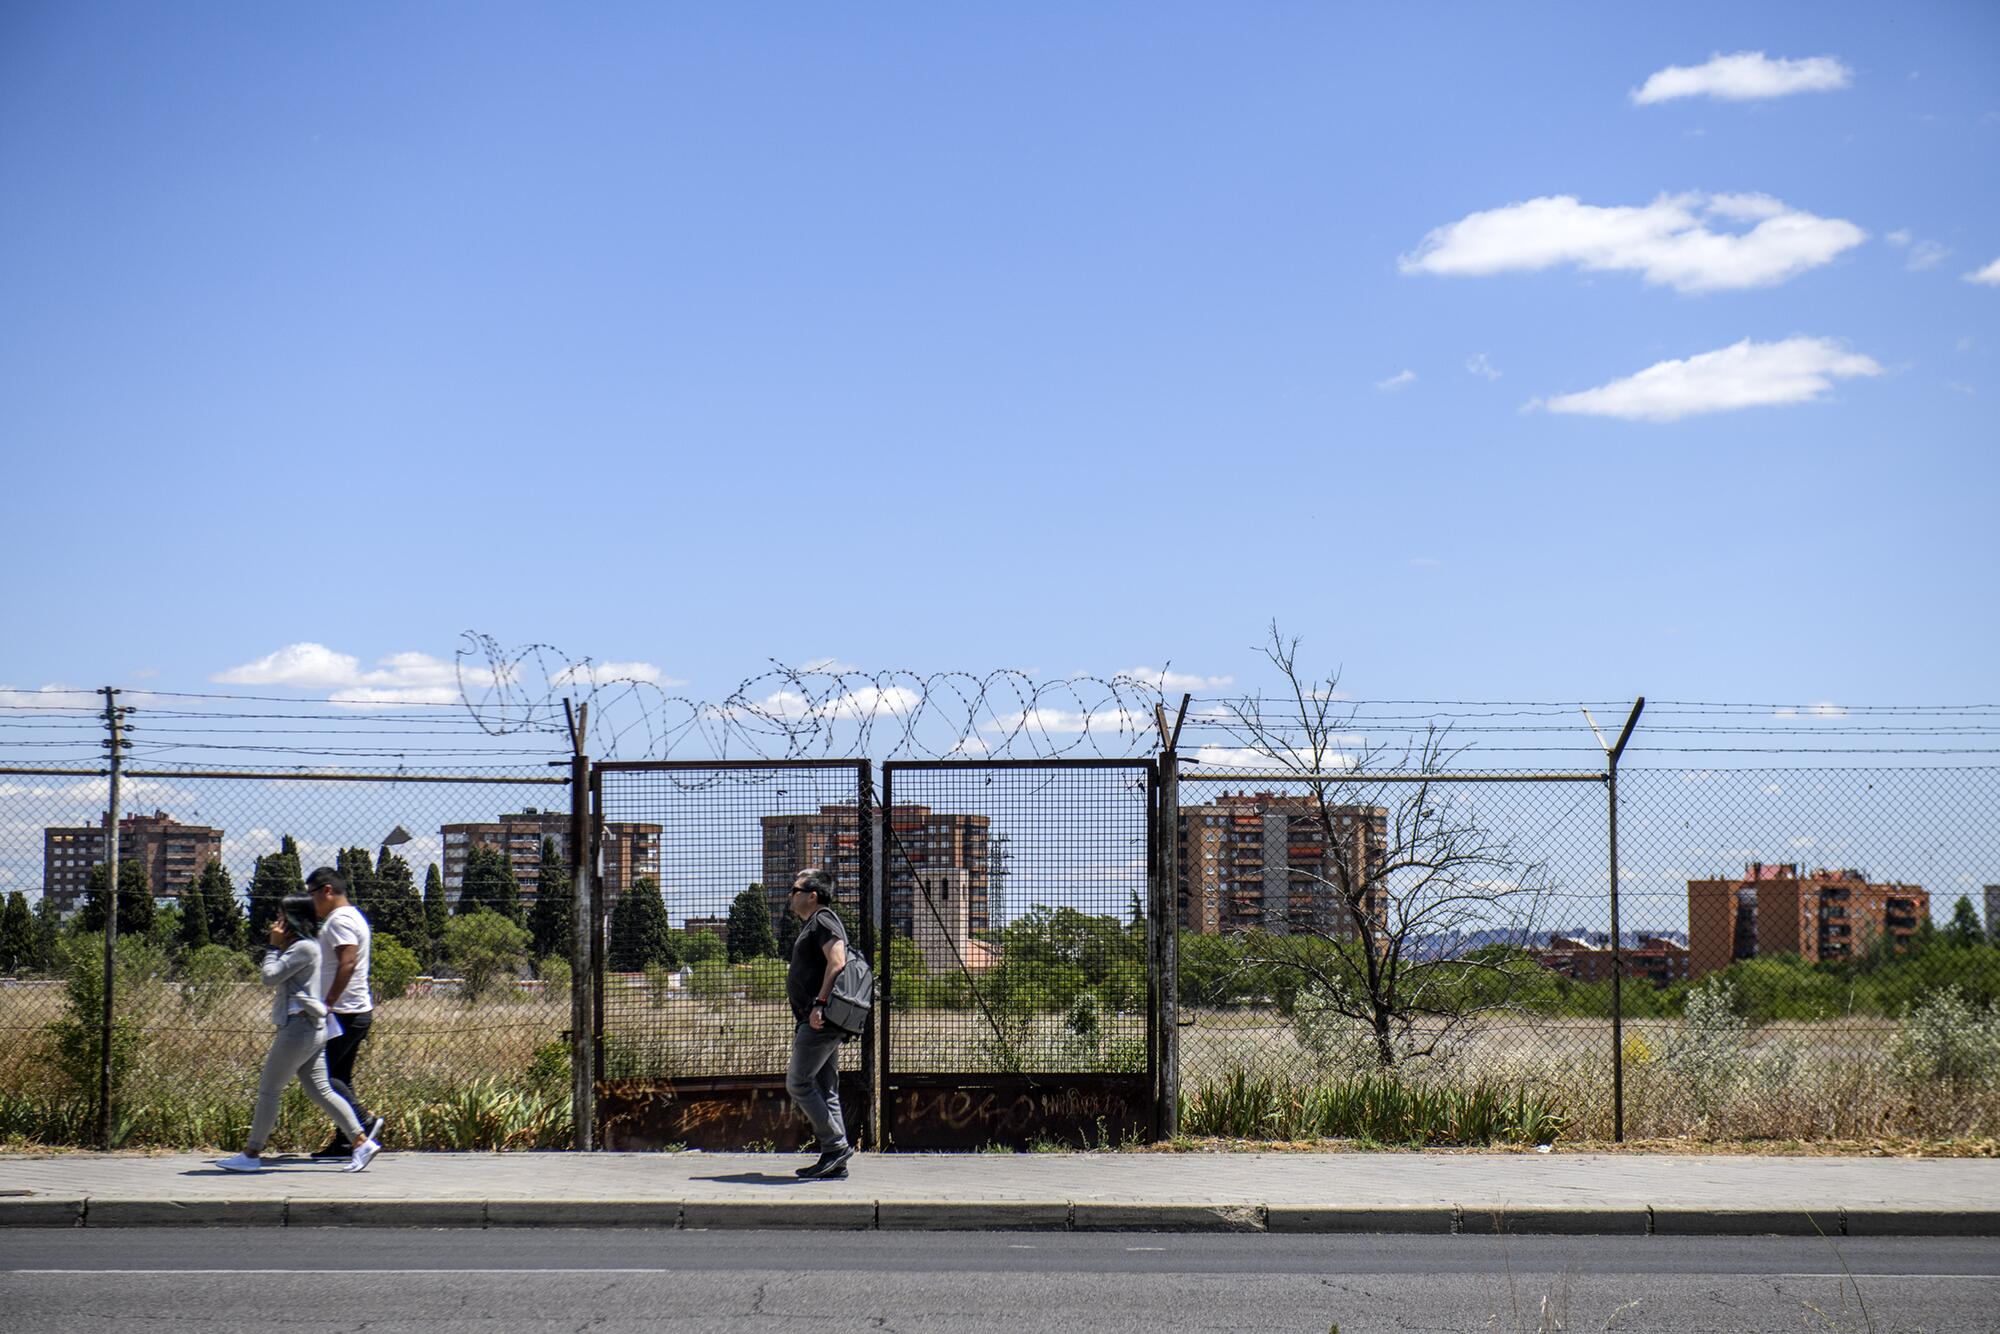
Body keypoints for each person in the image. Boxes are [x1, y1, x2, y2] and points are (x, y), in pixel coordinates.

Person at [218, 894, 380, 1173]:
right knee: (321, 1090)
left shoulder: (302, 948)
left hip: (298, 1031)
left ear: (293, 919)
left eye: (281, 916)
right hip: (310, 1028)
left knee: (269, 1090)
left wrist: (272, 946)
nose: (276, 923)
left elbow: (269, 977)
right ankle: (361, 1141)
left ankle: (251, 1153)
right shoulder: (306, 946)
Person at [307, 867, 384, 1159]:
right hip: (353, 1010)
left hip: (343, 1012)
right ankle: (344, 1141)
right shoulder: (351, 917)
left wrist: (328, 1002)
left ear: (327, 890)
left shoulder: (340, 920)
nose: (310, 900)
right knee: (340, 1077)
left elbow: (347, 962)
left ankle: (365, 1122)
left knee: (322, 1077)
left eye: (312, 893)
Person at [784, 866, 854, 1180]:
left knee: (798, 1082)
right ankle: (834, 1159)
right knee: (825, 1088)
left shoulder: (823, 918)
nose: (790, 895)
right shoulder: (816, 921)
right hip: (820, 1019)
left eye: (795, 890)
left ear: (812, 896)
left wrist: (820, 1003)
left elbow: (837, 961)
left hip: (819, 1020)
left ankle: (836, 1147)